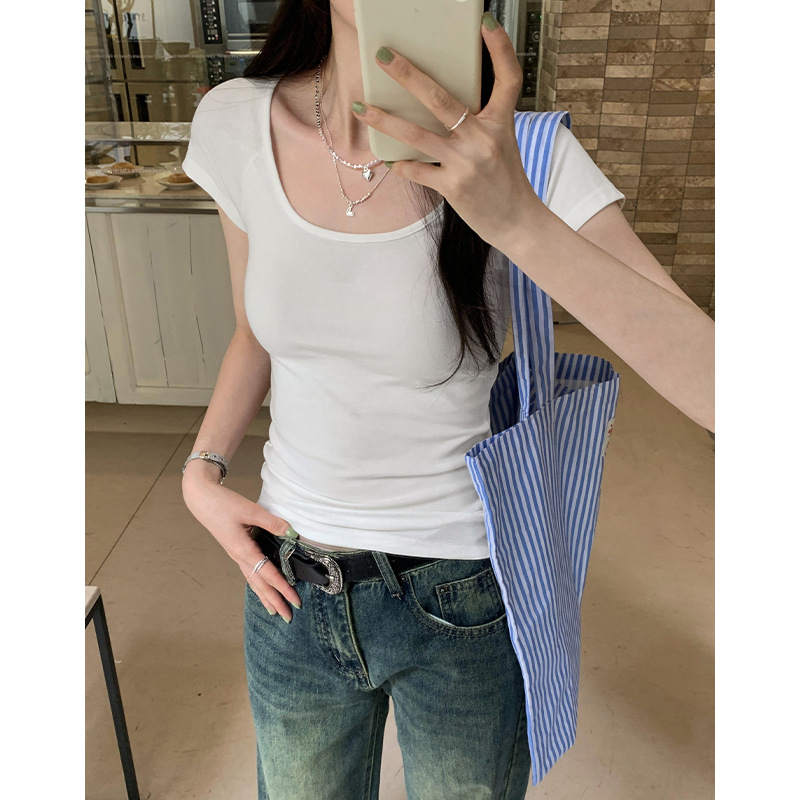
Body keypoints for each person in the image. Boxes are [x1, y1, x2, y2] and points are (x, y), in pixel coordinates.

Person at [180, 1, 714, 798]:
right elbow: (254, 335)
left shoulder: (526, 154)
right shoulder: (234, 122)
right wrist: (202, 472)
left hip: (461, 593)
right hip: (290, 585)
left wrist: (518, 219)